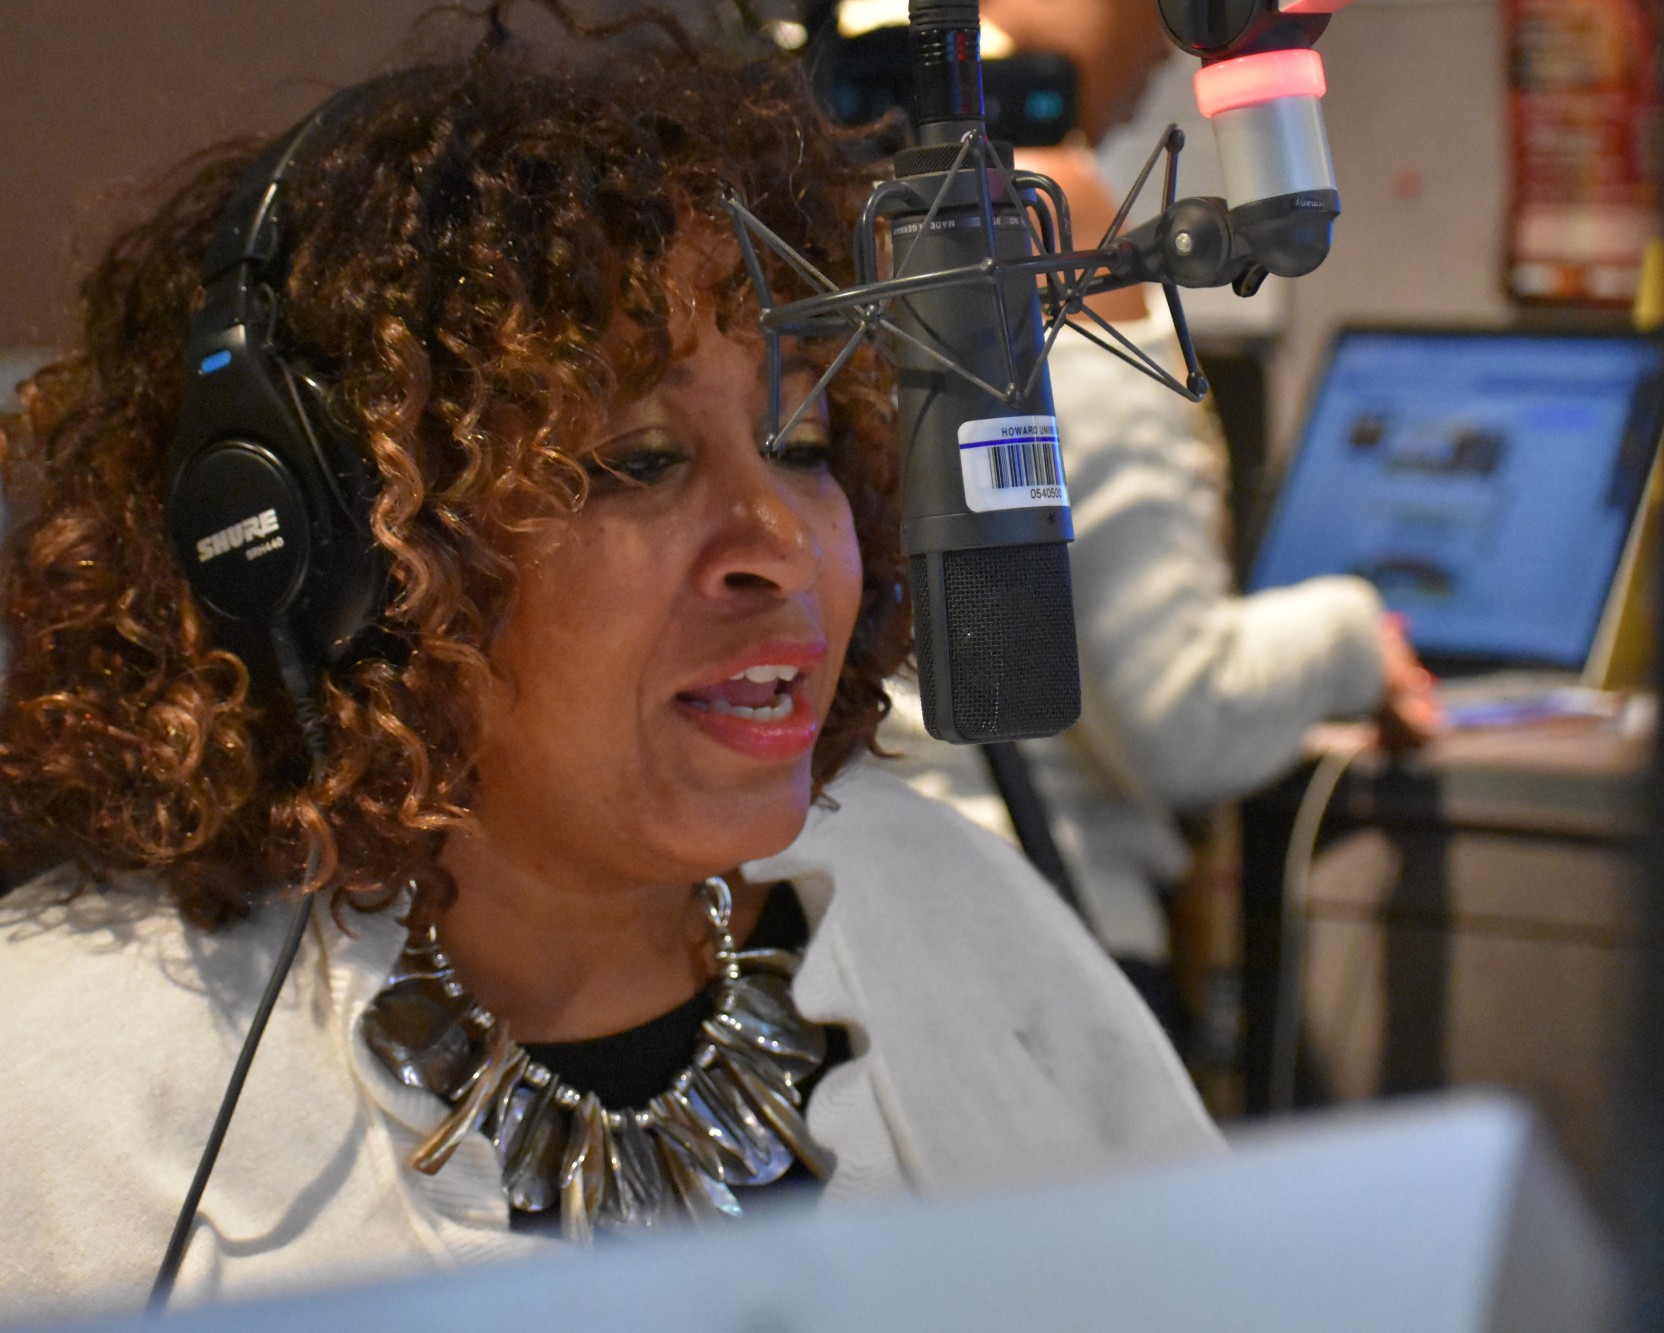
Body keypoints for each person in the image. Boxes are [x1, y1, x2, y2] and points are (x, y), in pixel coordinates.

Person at [0, 9, 1218, 1321]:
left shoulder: (950, 907)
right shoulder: (62, 1093)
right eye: (637, 461)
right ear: (332, 553)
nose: (779, 547)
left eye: (804, 446)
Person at [871, 0, 1442, 990]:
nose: (1178, 44)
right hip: (1034, 946)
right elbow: (1174, 717)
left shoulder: (832, 141)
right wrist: (1353, 641)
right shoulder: (1034, 202)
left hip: (863, 928)